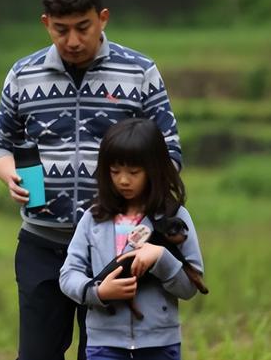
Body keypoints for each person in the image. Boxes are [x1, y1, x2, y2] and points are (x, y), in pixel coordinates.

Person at [0, 0, 182, 360]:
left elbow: (171, 154)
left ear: (102, 18)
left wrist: (138, 214)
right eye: (61, 29)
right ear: (45, 23)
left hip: (113, 248)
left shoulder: (139, 72)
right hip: (43, 243)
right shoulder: (22, 76)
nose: (72, 40)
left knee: (102, 355)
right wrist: (10, 176)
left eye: (82, 26)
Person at [59, 118, 204, 360]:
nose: (123, 180)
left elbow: (191, 286)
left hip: (160, 345)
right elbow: (68, 275)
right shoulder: (93, 218)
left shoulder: (173, 217)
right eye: (115, 171)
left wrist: (161, 258)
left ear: (154, 169)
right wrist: (99, 291)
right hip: (104, 345)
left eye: (134, 172)